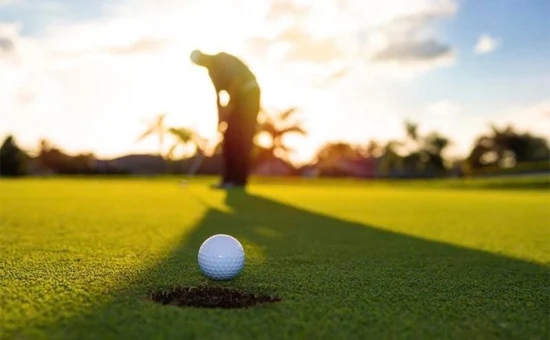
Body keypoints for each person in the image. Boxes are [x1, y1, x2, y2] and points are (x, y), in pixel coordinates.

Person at [190, 49, 261, 189]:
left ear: (204, 55)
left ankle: (239, 181)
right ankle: (228, 180)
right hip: (237, 101)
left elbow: (236, 80)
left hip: (250, 94)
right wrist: (220, 118)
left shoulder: (222, 58)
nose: (202, 64)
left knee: (242, 137)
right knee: (229, 138)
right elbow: (218, 96)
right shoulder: (211, 72)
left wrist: (230, 104)